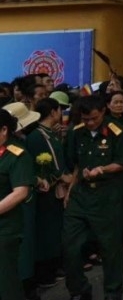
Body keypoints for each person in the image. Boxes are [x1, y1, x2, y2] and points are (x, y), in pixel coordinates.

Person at [62, 94, 123, 300]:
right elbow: (74, 164)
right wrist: (70, 190)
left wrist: (101, 169)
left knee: (110, 248)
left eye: (94, 118)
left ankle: (113, 291)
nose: (90, 123)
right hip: (80, 196)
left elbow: (121, 162)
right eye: (85, 119)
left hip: (106, 196)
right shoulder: (76, 133)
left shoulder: (117, 131)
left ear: (103, 112)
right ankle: (79, 289)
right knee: (69, 246)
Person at [23, 98, 65, 289]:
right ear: (53, 112)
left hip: (55, 190)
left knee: (54, 230)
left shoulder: (51, 133)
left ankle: (52, 268)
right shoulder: (37, 136)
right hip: (45, 190)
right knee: (45, 232)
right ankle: (43, 273)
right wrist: (58, 177)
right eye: (59, 110)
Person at [0, 108, 34, 300]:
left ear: (4, 130)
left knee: (5, 281)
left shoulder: (17, 155)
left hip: (5, 229)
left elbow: (20, 192)